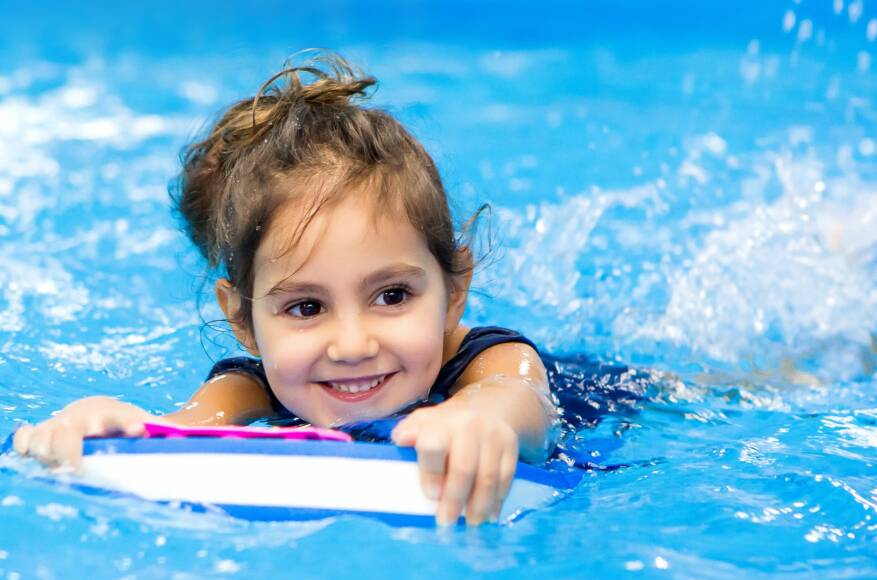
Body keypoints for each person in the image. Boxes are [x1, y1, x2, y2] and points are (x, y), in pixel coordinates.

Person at [12, 52, 558, 526]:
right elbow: (182, 429)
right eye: (306, 306)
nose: (352, 345)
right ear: (243, 320)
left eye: (392, 296)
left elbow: (521, 400)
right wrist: (102, 426)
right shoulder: (254, 388)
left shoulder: (491, 361)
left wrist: (479, 420)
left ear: (454, 290)